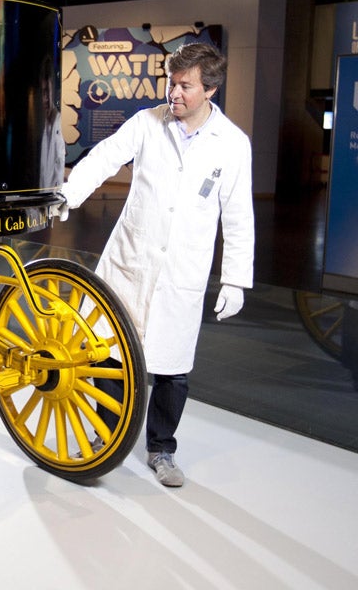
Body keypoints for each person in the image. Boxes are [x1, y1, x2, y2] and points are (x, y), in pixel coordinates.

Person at [56, 42, 255, 487]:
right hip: (131, 260)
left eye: (185, 86)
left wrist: (237, 280)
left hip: (181, 271)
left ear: (211, 90)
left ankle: (161, 450)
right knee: (108, 354)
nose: (174, 92)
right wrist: (70, 196)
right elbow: (104, 157)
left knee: (172, 368)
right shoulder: (148, 122)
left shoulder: (232, 145)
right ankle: (102, 438)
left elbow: (239, 213)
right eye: (171, 82)